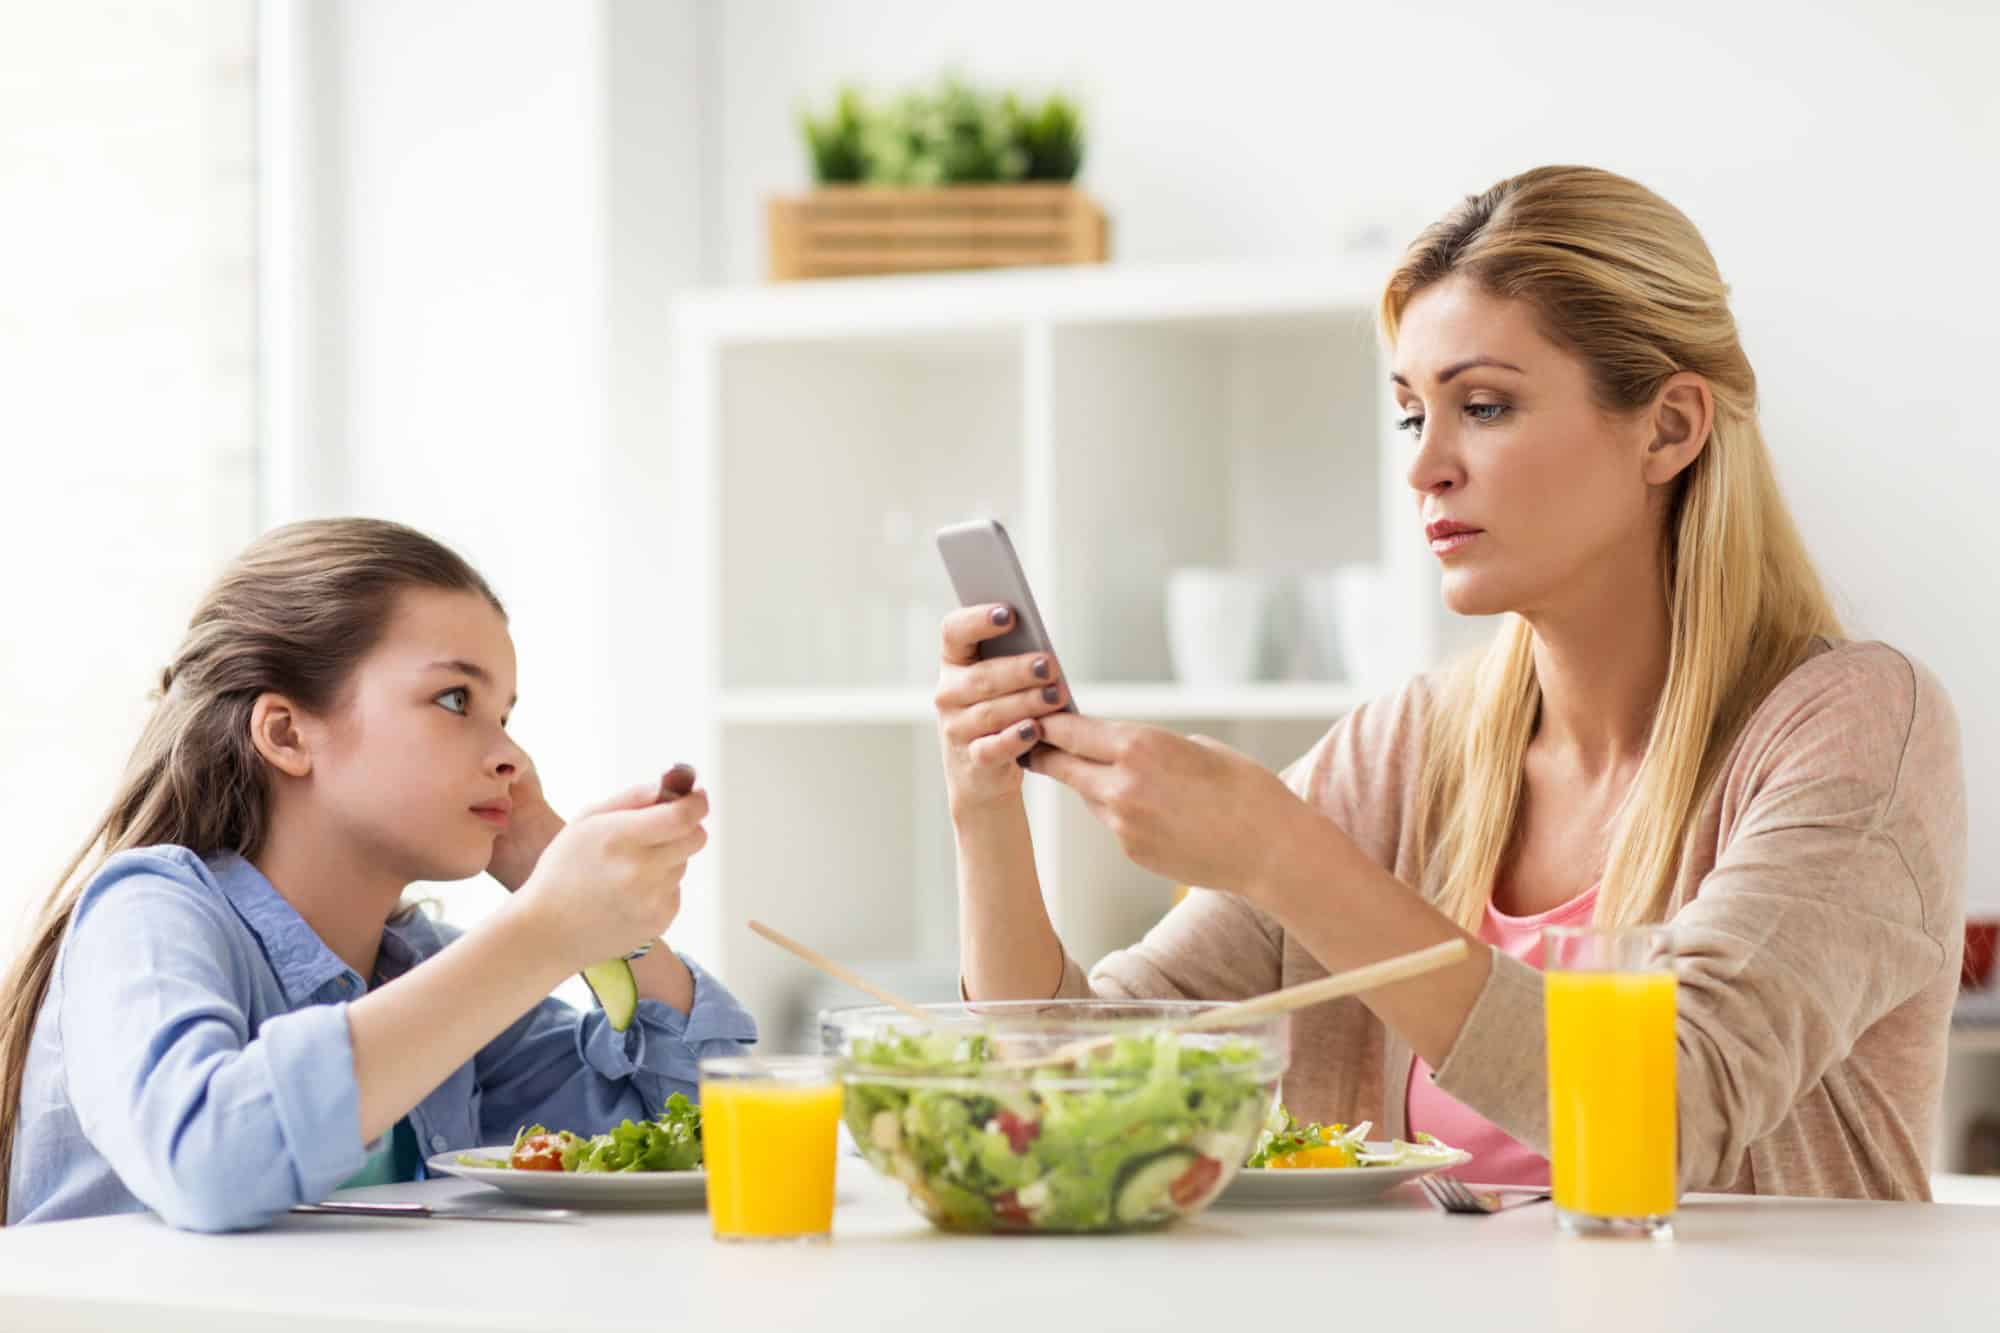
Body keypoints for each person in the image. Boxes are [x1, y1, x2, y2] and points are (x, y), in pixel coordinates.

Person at [935, 165, 1965, 1200]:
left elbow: (1664, 1113)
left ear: (1668, 428)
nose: (1423, 466)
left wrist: (1282, 856)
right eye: (1408, 415)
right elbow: (1073, 1080)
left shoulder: (1854, 728)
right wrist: (984, 811)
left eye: (1481, 404)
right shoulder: (1405, 750)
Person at [1, 517, 755, 1228]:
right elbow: (209, 1156)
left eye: (506, 716)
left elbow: (715, 1126)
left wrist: (559, 880)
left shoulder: (425, 971)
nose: (512, 757)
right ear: (288, 732)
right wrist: (547, 929)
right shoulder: (146, 913)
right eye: (456, 699)